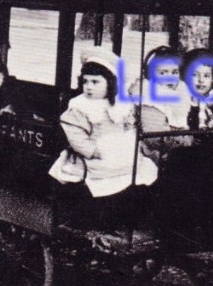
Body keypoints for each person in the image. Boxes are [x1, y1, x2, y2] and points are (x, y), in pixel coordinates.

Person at [51, 47, 158, 199]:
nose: (88, 87)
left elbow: (129, 127)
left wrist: (130, 141)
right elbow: (76, 137)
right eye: (85, 82)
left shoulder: (120, 104)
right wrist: (93, 151)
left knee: (139, 168)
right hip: (95, 155)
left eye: (95, 82)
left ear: (110, 83)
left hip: (120, 151)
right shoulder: (79, 106)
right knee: (108, 172)